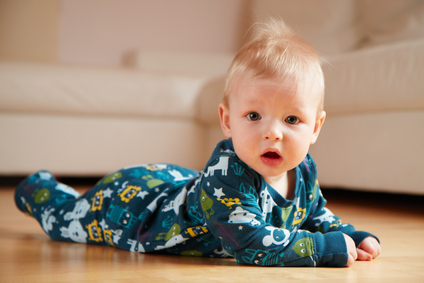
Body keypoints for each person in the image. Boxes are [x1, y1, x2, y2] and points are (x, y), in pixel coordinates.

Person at [15, 19, 380, 267]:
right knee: (67, 219)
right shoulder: (226, 178)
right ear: (226, 120)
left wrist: (345, 234)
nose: (273, 133)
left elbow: (313, 214)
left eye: (292, 120)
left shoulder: (303, 169)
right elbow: (249, 242)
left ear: (315, 128)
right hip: (133, 212)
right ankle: (40, 189)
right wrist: (321, 249)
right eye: (254, 116)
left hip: (181, 183)